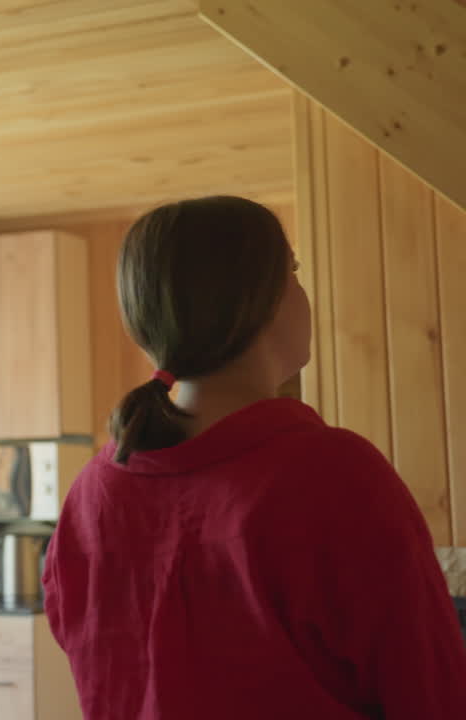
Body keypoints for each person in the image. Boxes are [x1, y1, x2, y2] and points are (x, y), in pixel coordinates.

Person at [41, 195, 466, 719]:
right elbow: (432, 690)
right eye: (293, 270)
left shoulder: (93, 492)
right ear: (261, 300)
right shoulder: (333, 474)